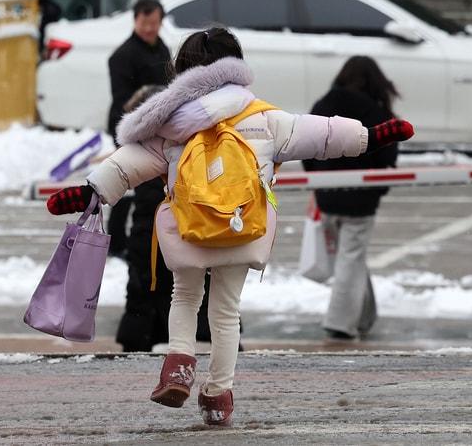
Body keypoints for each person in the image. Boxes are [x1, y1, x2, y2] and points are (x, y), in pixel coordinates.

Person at [46, 27, 414, 426]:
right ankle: (217, 396)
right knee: (225, 311)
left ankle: (179, 367)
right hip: (242, 227)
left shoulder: (172, 127)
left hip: (189, 228)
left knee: (185, 296)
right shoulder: (263, 118)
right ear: (235, 65)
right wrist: (370, 136)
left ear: (182, 70)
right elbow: (321, 134)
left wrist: (89, 191)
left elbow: (126, 165)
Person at [302, 56, 399, 342]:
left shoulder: (323, 106)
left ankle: (365, 316)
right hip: (361, 199)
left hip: (327, 194)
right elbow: (387, 156)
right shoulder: (376, 112)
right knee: (351, 258)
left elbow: (306, 146)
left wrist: (316, 182)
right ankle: (340, 324)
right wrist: (378, 190)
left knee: (350, 258)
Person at [104, 0, 172, 259]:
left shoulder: (162, 49)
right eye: (145, 23)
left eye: (154, 23)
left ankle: (129, 239)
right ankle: (119, 240)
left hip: (156, 128)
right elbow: (123, 100)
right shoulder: (123, 56)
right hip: (129, 127)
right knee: (128, 180)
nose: (149, 28)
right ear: (135, 21)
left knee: (144, 185)